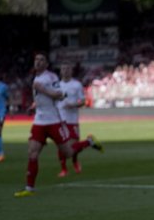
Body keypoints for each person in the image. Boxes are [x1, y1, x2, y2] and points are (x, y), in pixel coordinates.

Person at [14, 53, 103, 198]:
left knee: (67, 153)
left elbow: (59, 95)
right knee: (32, 153)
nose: (38, 62)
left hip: (54, 121)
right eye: (36, 59)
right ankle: (29, 188)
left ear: (46, 64)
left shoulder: (51, 77)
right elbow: (41, 98)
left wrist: (43, 89)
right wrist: (34, 105)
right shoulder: (36, 79)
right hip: (39, 121)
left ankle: (89, 142)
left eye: (41, 60)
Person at [56, 63, 86, 177]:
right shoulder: (56, 85)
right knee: (61, 144)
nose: (66, 70)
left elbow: (82, 101)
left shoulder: (77, 85)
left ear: (71, 71)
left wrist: (73, 104)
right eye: (63, 68)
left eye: (68, 68)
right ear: (60, 71)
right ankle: (63, 169)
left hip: (72, 119)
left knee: (74, 144)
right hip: (60, 119)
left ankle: (74, 161)